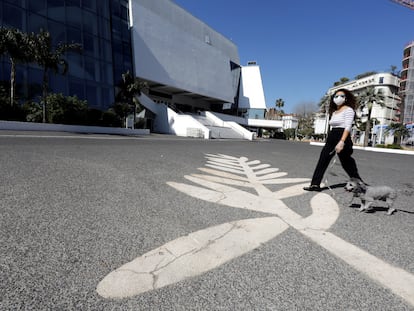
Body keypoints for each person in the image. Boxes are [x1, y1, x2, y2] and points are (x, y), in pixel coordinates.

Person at [304, 88, 363, 191]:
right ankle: (315, 184)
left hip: (343, 136)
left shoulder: (349, 110)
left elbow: (347, 127)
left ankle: (360, 185)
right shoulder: (334, 112)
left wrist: (341, 142)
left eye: (341, 96)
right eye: (336, 96)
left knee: (347, 163)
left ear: (346, 98)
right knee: (323, 159)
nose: (338, 98)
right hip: (333, 135)